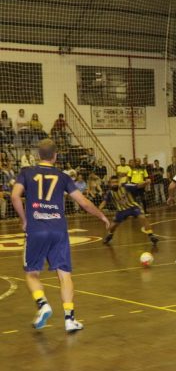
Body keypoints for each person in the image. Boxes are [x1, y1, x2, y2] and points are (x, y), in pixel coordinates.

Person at [11, 139, 110, 332]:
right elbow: (84, 202)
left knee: (32, 273)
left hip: (37, 229)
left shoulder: (26, 172)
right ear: (55, 156)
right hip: (59, 230)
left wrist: (24, 219)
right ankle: (69, 318)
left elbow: (15, 196)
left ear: (38, 155)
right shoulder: (63, 176)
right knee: (64, 275)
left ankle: (43, 304)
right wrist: (102, 215)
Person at [100, 175, 158, 246]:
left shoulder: (125, 186)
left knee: (142, 217)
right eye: (113, 182)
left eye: (116, 182)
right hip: (121, 211)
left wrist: (146, 182)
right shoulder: (109, 193)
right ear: (110, 183)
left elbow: (137, 186)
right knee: (112, 227)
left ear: (118, 182)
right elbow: (104, 202)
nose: (115, 184)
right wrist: (99, 210)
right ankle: (110, 235)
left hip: (132, 207)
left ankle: (151, 235)